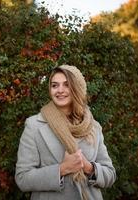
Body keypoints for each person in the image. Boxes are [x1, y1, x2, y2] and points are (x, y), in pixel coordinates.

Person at [15, 65, 116, 200]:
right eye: (55, 85)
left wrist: (88, 167)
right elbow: (22, 178)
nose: (60, 90)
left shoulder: (93, 126)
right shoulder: (34, 126)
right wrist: (62, 169)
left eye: (66, 85)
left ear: (77, 89)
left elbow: (110, 175)